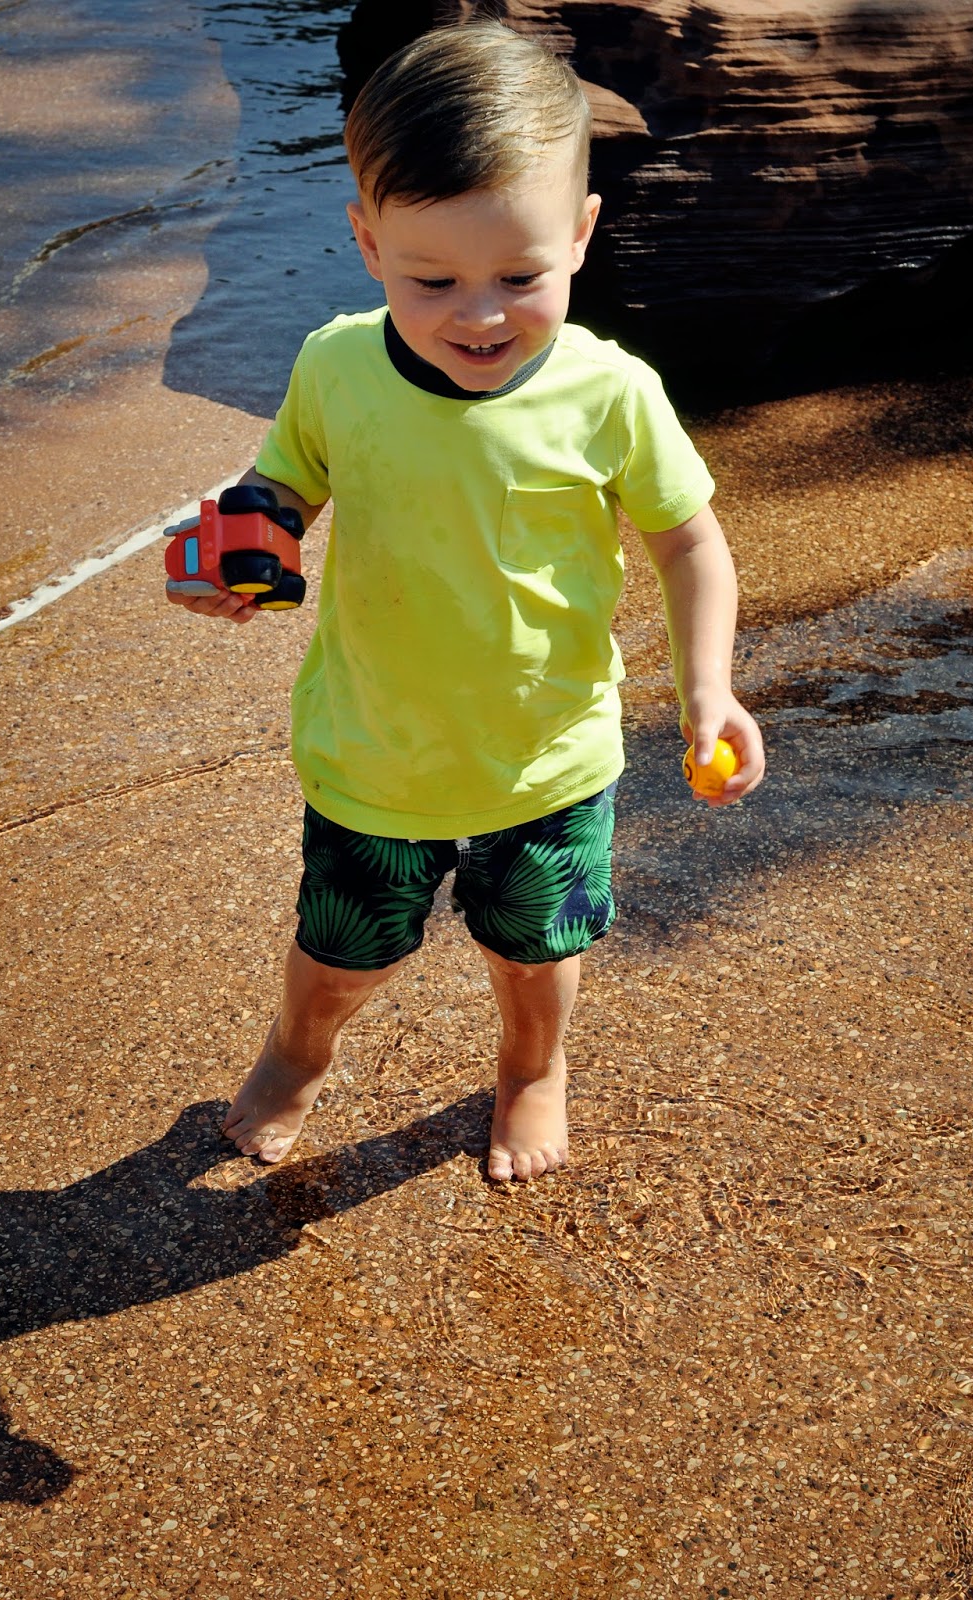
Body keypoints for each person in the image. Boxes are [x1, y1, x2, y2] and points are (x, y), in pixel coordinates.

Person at [166, 20, 765, 1182]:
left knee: (535, 954)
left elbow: (691, 541)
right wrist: (242, 544)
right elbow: (283, 483)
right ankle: (297, 1052)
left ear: (581, 233)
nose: (479, 315)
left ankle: (532, 1069)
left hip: (548, 758)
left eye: (520, 277)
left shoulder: (611, 394)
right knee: (339, 952)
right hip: (373, 750)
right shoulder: (336, 366)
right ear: (366, 240)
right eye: (432, 280)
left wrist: (710, 688)